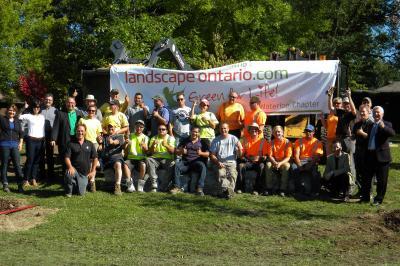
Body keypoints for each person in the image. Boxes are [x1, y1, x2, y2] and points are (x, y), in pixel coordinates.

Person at [362, 106, 395, 205]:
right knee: (367, 179)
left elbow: (392, 133)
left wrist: (383, 126)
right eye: (375, 112)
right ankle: (365, 198)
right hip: (370, 155)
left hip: (382, 157)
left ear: (382, 114)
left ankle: (378, 199)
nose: (376, 114)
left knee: (382, 181)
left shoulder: (387, 124)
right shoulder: (370, 125)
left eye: (378, 112)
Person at [170, 126, 209, 196]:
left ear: (199, 133)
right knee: (177, 166)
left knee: (203, 166)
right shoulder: (185, 140)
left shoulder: (203, 142)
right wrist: (181, 151)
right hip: (186, 163)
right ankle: (177, 187)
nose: (194, 133)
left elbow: (208, 154)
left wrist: (201, 153)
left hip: (196, 162)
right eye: (193, 131)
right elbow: (177, 151)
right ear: (190, 132)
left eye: (196, 132)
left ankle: (200, 188)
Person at [51, 97, 85, 175]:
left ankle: (75, 176)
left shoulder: (79, 114)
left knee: (75, 158)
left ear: (75, 104)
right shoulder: (60, 113)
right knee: (64, 158)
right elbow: (56, 126)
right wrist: (53, 138)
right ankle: (65, 177)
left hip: (76, 139)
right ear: (66, 104)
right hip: (64, 140)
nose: (70, 104)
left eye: (72, 102)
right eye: (68, 102)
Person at [98, 122, 134, 195]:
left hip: (116, 158)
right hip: (105, 158)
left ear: (115, 129)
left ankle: (118, 186)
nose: (111, 129)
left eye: (112, 128)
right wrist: (99, 142)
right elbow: (100, 142)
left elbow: (116, 143)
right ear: (107, 129)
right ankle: (90, 183)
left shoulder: (119, 136)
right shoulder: (105, 136)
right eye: (109, 128)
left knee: (118, 164)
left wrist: (112, 142)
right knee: (94, 163)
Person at [328, 87, 356, 177]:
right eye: (344, 103)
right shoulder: (340, 112)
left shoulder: (351, 114)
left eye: (348, 103)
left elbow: (354, 111)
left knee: (349, 160)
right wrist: (330, 96)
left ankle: (351, 181)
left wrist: (349, 96)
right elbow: (331, 108)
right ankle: (341, 180)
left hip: (348, 139)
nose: (346, 105)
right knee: (340, 159)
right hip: (339, 138)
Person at [210, 123, 243, 199]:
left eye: (225, 128)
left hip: (231, 162)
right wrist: (218, 162)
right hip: (220, 162)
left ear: (228, 129)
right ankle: (229, 191)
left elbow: (240, 154)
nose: (223, 130)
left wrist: (240, 150)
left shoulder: (234, 138)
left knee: (233, 174)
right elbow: (212, 155)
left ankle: (227, 191)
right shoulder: (216, 140)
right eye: (221, 128)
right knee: (220, 173)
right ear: (219, 130)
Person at [64, 124, 98, 197]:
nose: (80, 133)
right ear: (76, 132)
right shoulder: (71, 143)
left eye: (82, 131)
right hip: (74, 170)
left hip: (84, 174)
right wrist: (70, 167)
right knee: (68, 173)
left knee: (81, 193)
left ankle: (76, 185)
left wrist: (93, 171)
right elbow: (67, 157)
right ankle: (68, 192)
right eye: (78, 131)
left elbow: (95, 158)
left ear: (85, 132)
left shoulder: (90, 144)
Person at [292, 124, 323, 196]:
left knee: (315, 173)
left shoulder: (318, 142)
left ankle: (315, 191)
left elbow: (316, 157)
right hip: (300, 161)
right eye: (306, 131)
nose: (308, 133)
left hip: (311, 161)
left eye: (309, 131)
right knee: (294, 169)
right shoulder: (298, 141)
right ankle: (298, 190)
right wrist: (299, 166)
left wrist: (309, 165)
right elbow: (296, 156)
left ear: (313, 132)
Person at [19, 100, 45, 187]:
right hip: (31, 140)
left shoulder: (42, 117)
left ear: (40, 108)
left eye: (38, 107)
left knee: (36, 161)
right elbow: (18, 116)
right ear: (32, 108)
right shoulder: (28, 116)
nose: (36, 109)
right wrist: (24, 108)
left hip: (40, 141)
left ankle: (33, 179)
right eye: (35, 107)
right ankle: (25, 179)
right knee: (30, 160)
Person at [0, 104, 24, 192]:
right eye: (10, 110)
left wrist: (21, 143)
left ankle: (20, 185)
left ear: (15, 112)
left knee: (17, 165)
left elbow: (21, 133)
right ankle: (5, 184)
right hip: (4, 144)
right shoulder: (2, 119)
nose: (12, 112)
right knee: (4, 165)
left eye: (13, 111)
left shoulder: (17, 121)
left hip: (15, 145)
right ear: (7, 111)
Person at [237, 123, 266, 194]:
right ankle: (241, 188)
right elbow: (242, 154)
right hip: (248, 161)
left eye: (255, 130)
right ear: (249, 131)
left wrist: (259, 158)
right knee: (241, 166)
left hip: (258, 162)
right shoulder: (245, 140)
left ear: (258, 131)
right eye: (252, 129)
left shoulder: (263, 141)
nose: (254, 131)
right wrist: (240, 152)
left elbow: (265, 156)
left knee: (261, 167)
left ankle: (256, 189)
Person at [146, 124, 176, 192]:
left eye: (163, 129)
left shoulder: (170, 138)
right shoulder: (154, 138)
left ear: (167, 131)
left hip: (167, 159)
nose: (161, 130)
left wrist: (166, 145)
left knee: (173, 164)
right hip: (155, 159)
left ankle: (163, 186)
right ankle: (154, 183)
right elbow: (150, 152)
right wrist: (153, 145)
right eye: (159, 129)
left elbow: (172, 152)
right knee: (148, 159)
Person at [264, 125, 292, 197]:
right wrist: (275, 163)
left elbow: (288, 157)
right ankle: (269, 188)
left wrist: (280, 163)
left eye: (279, 132)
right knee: (268, 165)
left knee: (287, 166)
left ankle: (282, 189)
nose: (277, 133)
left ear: (282, 133)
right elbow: (270, 156)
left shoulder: (287, 142)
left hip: (283, 161)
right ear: (273, 134)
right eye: (275, 132)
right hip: (274, 161)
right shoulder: (271, 142)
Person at [353, 104, 373, 197]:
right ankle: (361, 191)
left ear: (368, 112)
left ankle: (368, 193)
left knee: (367, 174)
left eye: (363, 111)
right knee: (359, 173)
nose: (361, 113)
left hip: (368, 152)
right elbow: (354, 136)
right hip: (358, 151)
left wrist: (362, 133)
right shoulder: (357, 124)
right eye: (360, 112)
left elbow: (373, 138)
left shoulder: (372, 124)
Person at [125, 120, 149, 192]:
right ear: (135, 127)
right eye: (137, 126)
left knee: (143, 165)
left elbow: (147, 151)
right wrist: (126, 143)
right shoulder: (130, 136)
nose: (139, 128)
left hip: (141, 159)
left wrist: (144, 146)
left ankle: (140, 186)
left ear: (143, 128)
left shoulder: (145, 137)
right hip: (131, 158)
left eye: (141, 127)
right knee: (125, 164)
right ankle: (130, 185)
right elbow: (125, 147)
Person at [40, 93, 58, 181]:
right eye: (47, 99)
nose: (48, 101)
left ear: (52, 101)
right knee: (41, 155)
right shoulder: (39, 109)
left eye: (50, 100)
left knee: (50, 155)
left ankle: (51, 174)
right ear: (44, 100)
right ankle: (42, 174)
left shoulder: (56, 111)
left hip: (50, 136)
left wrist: (54, 138)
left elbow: (57, 125)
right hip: (40, 135)